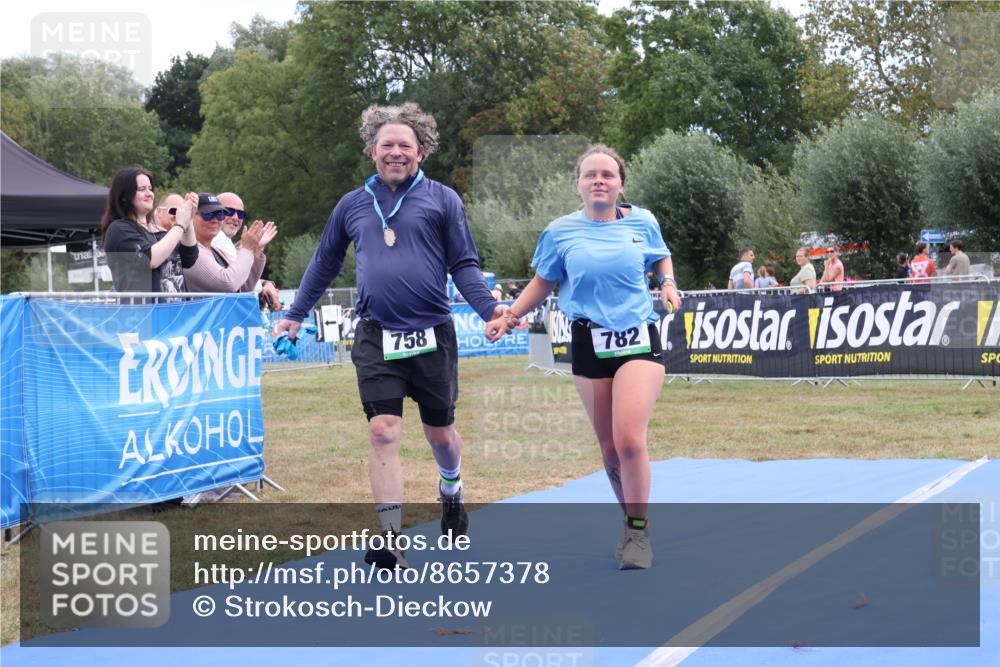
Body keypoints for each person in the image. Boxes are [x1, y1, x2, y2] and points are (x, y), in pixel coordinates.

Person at [275, 103, 509, 569]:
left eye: (405, 145)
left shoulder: (443, 200)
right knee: (383, 432)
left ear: (421, 151)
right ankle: (389, 536)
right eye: (387, 145)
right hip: (377, 334)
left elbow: (463, 263)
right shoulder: (352, 204)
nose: (396, 152)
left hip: (432, 334)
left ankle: (452, 489)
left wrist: (490, 308)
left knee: (440, 434)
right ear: (371, 151)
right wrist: (294, 314)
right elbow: (323, 263)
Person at [486, 144, 681, 570]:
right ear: (577, 184)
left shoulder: (643, 221)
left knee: (629, 438)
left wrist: (667, 283)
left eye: (607, 175)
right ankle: (630, 523)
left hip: (638, 339)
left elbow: (660, 256)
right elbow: (543, 281)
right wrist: (512, 315)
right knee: (609, 450)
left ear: (620, 184)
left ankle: (637, 532)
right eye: (590, 174)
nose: (599, 180)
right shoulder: (559, 232)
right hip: (588, 341)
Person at [101, 166, 198, 294]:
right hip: (145, 312)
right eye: (141, 189)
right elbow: (150, 259)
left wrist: (188, 218)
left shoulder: (159, 232)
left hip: (175, 311)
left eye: (150, 189)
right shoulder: (119, 229)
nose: (149, 194)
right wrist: (180, 224)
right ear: (124, 196)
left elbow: (189, 258)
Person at [183, 193, 275, 293]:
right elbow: (227, 283)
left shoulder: (214, 250)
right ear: (191, 216)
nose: (215, 220)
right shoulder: (191, 252)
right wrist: (247, 249)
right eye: (208, 214)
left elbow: (243, 288)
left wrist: (255, 249)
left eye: (220, 214)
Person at [215, 191, 282, 311]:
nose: (235, 218)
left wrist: (255, 247)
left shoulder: (223, 241)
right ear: (214, 212)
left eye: (240, 214)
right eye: (228, 211)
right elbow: (248, 286)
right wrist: (263, 286)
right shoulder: (217, 238)